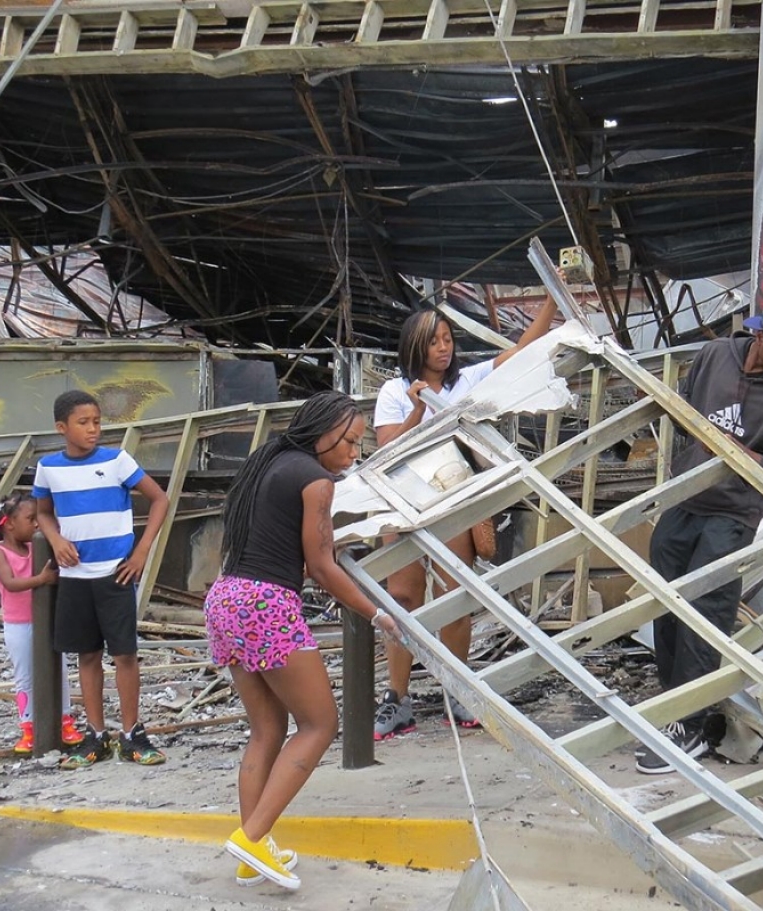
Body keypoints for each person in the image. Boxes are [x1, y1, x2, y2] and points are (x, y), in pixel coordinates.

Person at [205, 392, 399, 891]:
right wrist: (376, 613)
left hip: (226, 597)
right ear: (324, 431)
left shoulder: (266, 462)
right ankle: (251, 837)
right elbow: (320, 565)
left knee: (267, 730)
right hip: (266, 603)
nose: (354, 453)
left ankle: (253, 854)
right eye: (351, 441)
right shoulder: (315, 479)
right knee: (320, 723)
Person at [637, 299, 763, 775]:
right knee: (667, 598)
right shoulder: (716, 356)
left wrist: (735, 454)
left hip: (734, 512)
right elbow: (684, 413)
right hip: (686, 497)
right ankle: (673, 703)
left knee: (707, 608)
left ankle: (691, 723)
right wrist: (705, 448)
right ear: (758, 336)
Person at [371, 298, 560, 739]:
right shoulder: (395, 392)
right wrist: (419, 410)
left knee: (456, 596)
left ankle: (458, 691)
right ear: (414, 347)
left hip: (453, 500)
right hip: (402, 505)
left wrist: (551, 304)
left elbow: (521, 352)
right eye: (434, 342)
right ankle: (397, 699)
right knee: (402, 599)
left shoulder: (467, 381)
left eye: (448, 340)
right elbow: (383, 449)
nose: (444, 349)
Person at [33, 389, 171, 769]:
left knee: (125, 654)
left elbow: (160, 499)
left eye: (97, 421)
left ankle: (132, 735)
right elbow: (43, 511)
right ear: (62, 428)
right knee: (87, 654)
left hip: (116, 573)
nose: (93, 429)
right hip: (75, 576)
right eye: (83, 423)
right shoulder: (49, 468)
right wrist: (57, 539)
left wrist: (141, 552)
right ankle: (96, 735)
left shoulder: (117, 461)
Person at [0, 493, 81, 755]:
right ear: (10, 524)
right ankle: (28, 727)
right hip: (18, 624)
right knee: (25, 675)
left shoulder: (36, 548)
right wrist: (41, 580)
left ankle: (64, 721)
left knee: (58, 670)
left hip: (45, 620)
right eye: (31, 519)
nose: (37, 525)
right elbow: (10, 584)